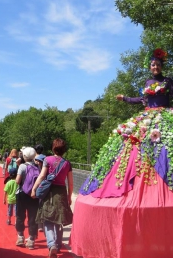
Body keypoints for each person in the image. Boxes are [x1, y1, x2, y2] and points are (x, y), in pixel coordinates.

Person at [70, 48, 173, 258]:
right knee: (128, 149)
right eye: (152, 64)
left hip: (165, 118)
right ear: (149, 66)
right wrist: (125, 98)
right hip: (146, 118)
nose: (155, 67)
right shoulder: (146, 83)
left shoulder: (169, 81)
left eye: (158, 64)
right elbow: (141, 101)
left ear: (162, 66)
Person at [32, 138, 73, 258]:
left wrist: (34, 189)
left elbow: (41, 176)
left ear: (53, 148)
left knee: (48, 220)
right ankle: (58, 244)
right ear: (64, 150)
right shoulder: (67, 163)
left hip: (49, 192)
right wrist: (69, 196)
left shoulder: (47, 160)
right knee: (58, 221)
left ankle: (51, 244)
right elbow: (70, 183)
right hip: (61, 193)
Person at [15, 147, 39, 250]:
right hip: (33, 194)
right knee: (32, 217)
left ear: (24, 156)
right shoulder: (38, 167)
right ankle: (31, 240)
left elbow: (17, 181)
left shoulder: (22, 167)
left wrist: (18, 166)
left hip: (22, 194)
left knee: (20, 215)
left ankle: (20, 237)